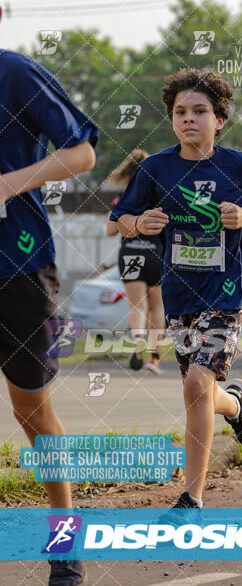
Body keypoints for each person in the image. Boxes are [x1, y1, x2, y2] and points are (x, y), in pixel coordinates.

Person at [110, 67, 242, 512]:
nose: (188, 119)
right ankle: (235, 404)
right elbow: (120, 217)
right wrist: (138, 222)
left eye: (199, 111)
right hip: (178, 296)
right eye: (179, 112)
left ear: (220, 119)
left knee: (196, 380)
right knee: (199, 391)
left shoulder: (240, 166)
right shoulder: (156, 168)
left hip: (225, 293)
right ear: (171, 119)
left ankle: (191, 496)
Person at [0, 49, 98, 586]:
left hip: (18, 265)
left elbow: (81, 152)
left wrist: (9, 183)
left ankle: (65, 544)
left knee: (32, 415)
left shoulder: (13, 73)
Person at [107, 149, 164, 374]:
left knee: (137, 305)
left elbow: (111, 230)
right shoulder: (161, 195)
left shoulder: (123, 198)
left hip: (130, 252)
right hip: (156, 253)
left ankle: (138, 340)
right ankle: (155, 359)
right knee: (157, 306)